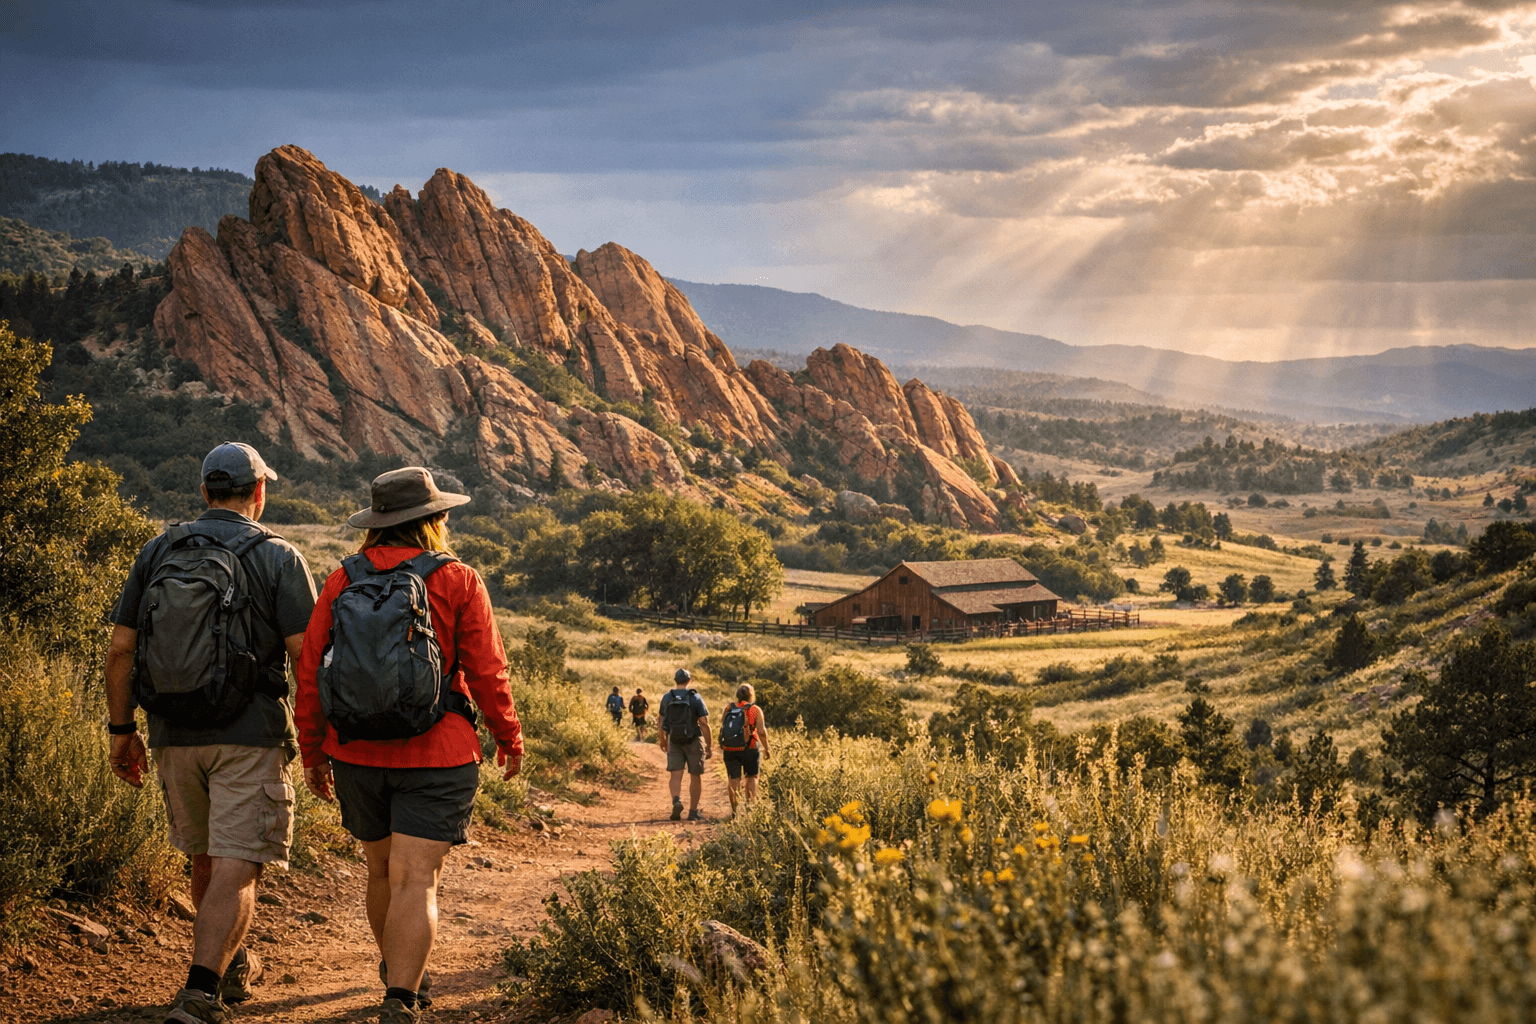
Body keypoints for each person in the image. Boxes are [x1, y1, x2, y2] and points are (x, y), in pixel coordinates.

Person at [294, 467, 523, 1024]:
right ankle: (401, 995)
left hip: (355, 754)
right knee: (416, 878)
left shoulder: (341, 578)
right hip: (439, 752)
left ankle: (398, 972)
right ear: (435, 520)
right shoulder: (458, 579)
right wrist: (508, 737)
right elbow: (487, 670)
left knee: (381, 873)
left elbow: (310, 672)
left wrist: (314, 750)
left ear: (376, 524)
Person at [105, 442, 317, 1024]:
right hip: (249, 735)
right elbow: (306, 659)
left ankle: (231, 962)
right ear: (259, 492)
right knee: (238, 861)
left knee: (205, 859)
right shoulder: (279, 556)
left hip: (173, 733)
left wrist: (122, 733)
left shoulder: (157, 550)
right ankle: (200, 991)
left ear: (204, 492)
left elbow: (121, 650)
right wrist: (319, 740)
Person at [657, 669, 710, 821]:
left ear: (675, 680)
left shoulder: (667, 697)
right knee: (695, 775)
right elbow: (704, 723)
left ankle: (676, 800)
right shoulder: (695, 697)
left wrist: (663, 740)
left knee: (675, 774)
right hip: (693, 740)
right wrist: (709, 745)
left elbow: (660, 721)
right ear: (689, 681)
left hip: (673, 739)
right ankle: (693, 812)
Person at [719, 683, 770, 815]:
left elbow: (724, 726)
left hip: (730, 748)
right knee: (752, 777)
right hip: (750, 747)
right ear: (751, 695)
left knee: (733, 779)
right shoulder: (755, 710)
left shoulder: (729, 708)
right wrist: (766, 748)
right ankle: (750, 810)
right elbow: (761, 732)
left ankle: (735, 812)